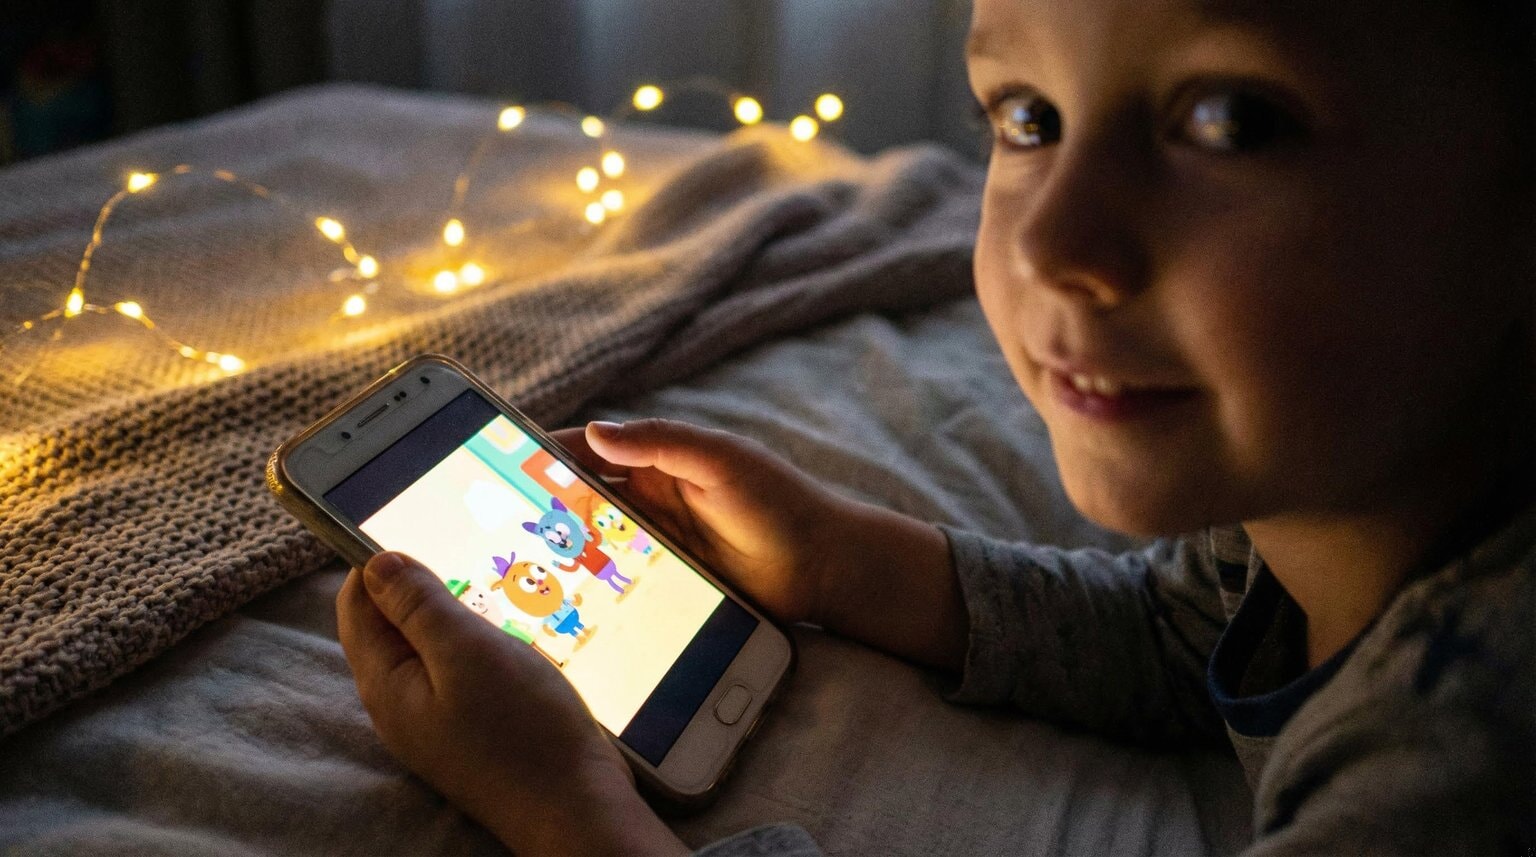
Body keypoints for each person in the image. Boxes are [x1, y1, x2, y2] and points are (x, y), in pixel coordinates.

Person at [334, 0, 1536, 852]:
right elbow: (1182, 644)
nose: (1051, 241)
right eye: (1026, 117)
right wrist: (838, 557)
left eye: (1230, 122)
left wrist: (563, 810)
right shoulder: (1327, 495)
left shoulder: (1467, 750)